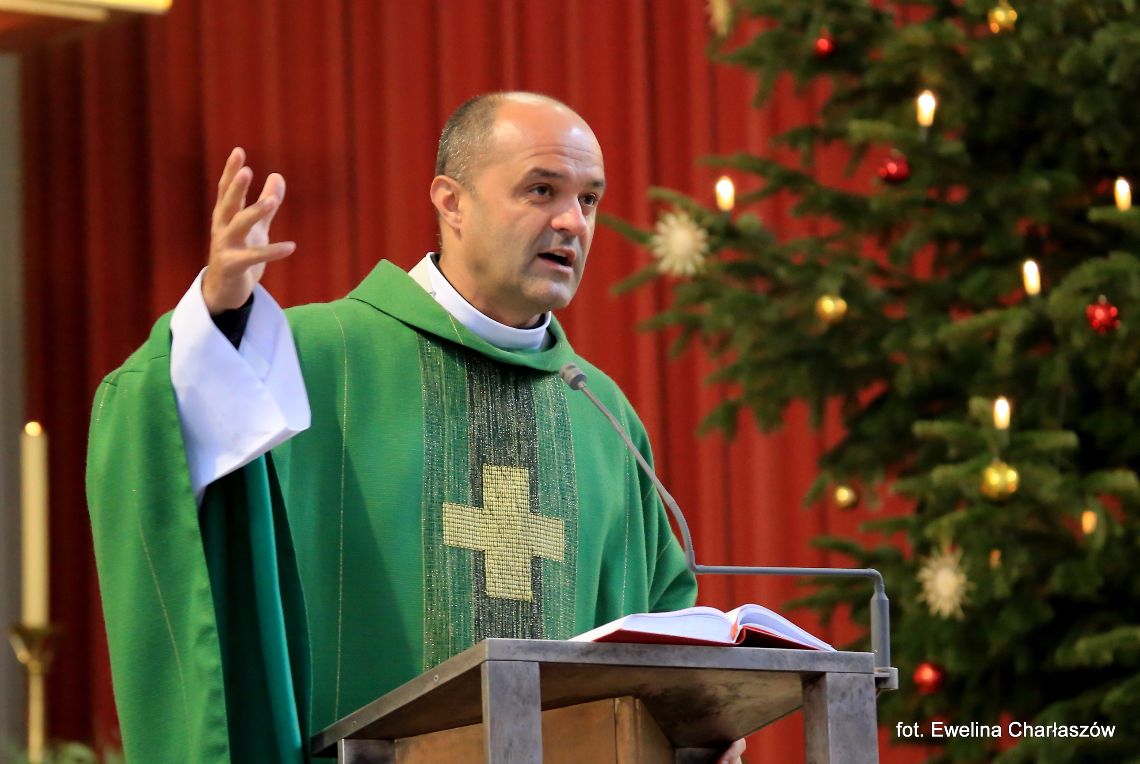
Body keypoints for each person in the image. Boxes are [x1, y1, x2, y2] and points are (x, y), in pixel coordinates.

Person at [88, 92, 744, 763]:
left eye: (590, 199)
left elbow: (665, 617)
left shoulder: (601, 413)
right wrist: (218, 320)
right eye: (542, 190)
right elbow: (158, 449)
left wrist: (697, 724)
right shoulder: (310, 359)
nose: (572, 221)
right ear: (451, 202)